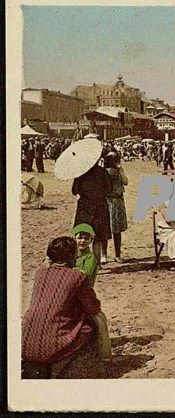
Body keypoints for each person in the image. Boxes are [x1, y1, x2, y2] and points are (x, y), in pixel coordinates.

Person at [22, 236, 103, 378]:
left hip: (26, 342)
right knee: (91, 326)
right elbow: (94, 308)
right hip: (51, 346)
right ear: (72, 256)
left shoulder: (40, 272)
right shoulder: (77, 277)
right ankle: (76, 371)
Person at [72, 162, 112, 264]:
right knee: (98, 237)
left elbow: (74, 191)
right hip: (100, 207)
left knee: (82, 235)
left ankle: (82, 262)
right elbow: (109, 189)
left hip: (84, 208)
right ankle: (97, 265)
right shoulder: (103, 171)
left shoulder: (80, 172)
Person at [103, 152, 128, 263]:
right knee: (105, 228)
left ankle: (117, 254)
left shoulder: (118, 171)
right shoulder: (104, 172)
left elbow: (125, 182)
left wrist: (121, 170)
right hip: (108, 201)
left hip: (118, 201)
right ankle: (104, 254)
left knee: (117, 230)